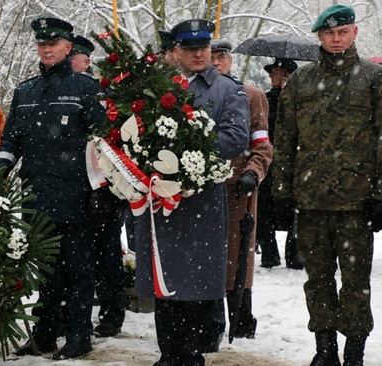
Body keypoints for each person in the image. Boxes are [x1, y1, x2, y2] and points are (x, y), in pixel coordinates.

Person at [271, 5, 382, 366]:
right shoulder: (302, 82)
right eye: (328, 34)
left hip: (357, 201)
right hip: (312, 200)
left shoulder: (374, 78)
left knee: (356, 282)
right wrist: (281, 191)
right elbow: (285, 138)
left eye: (343, 33)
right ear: (319, 36)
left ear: (354, 33)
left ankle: (354, 351)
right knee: (317, 280)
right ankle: (325, 351)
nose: (336, 40)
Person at [133, 19, 250, 366]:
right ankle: (169, 352)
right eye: (189, 48)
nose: (198, 54)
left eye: (203, 47)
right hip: (161, 201)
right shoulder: (157, 87)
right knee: (164, 277)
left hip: (201, 200)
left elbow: (235, 136)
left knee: (198, 280)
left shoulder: (228, 89)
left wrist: (185, 154)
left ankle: (192, 353)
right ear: (177, 52)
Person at [0, 17, 105, 360]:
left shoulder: (86, 89)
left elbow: (102, 144)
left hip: (76, 197)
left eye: (53, 43)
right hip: (35, 196)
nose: (46, 49)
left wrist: (100, 191)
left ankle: (78, 335)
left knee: (79, 271)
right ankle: (44, 334)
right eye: (42, 44)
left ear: (68, 47)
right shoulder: (25, 91)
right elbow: (11, 138)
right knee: (44, 272)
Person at [210, 39, 272, 340]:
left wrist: (253, 172)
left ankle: (241, 320)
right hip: (201, 191)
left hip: (238, 190)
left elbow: (262, 146)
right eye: (211, 58)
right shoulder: (192, 96)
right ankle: (209, 323)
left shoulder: (251, 96)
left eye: (221, 58)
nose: (216, 63)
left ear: (230, 61)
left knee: (237, 259)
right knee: (207, 260)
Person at [70, 32, 127, 338]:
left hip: (103, 186)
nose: (69, 62)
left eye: (73, 58)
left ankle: (111, 313)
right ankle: (73, 313)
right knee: (76, 255)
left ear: (86, 61)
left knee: (106, 253)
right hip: (72, 184)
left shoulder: (102, 94)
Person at [256, 57, 302, 270]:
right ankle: (269, 254)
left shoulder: (300, 101)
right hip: (268, 162)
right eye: (277, 72)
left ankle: (295, 255)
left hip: (294, 163)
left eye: (286, 73)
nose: (281, 77)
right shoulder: (264, 100)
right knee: (263, 209)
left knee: (295, 210)